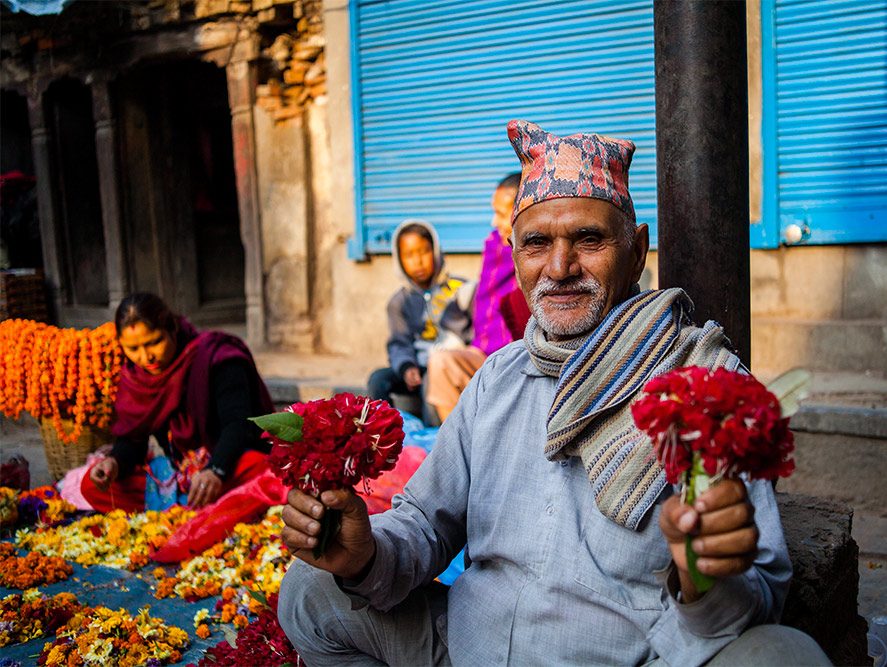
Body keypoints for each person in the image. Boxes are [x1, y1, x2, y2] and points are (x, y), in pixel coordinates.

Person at [278, 120, 831, 666]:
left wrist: (704, 580)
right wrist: (366, 555)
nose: (560, 268)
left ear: (636, 252)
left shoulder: (707, 390)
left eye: (589, 239)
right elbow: (423, 523)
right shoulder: (497, 379)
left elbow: (757, 594)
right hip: (471, 648)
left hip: (630, 657)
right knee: (310, 590)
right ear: (515, 253)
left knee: (783, 656)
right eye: (537, 243)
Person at [80, 293, 274, 513]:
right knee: (91, 484)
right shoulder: (136, 378)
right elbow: (133, 439)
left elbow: (238, 425)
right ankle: (203, 508)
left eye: (154, 342)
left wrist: (215, 471)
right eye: (133, 349)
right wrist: (114, 462)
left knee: (259, 466)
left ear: (172, 328)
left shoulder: (216, 357)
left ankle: (195, 506)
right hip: (177, 476)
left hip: (224, 466)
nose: (146, 357)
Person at [425, 173, 524, 422]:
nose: (494, 221)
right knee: (440, 362)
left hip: (521, 357)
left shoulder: (540, 255)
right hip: (484, 351)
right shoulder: (495, 249)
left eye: (502, 214)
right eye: (495, 212)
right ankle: (456, 446)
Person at [366, 219, 474, 426]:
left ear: (435, 251)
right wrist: (406, 367)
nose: (418, 260)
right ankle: (382, 433)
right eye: (409, 255)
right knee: (378, 379)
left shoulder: (459, 289)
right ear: (399, 260)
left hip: (448, 365)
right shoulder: (399, 302)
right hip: (415, 365)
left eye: (424, 251)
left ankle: (435, 440)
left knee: (431, 381)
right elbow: (399, 342)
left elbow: (473, 331)